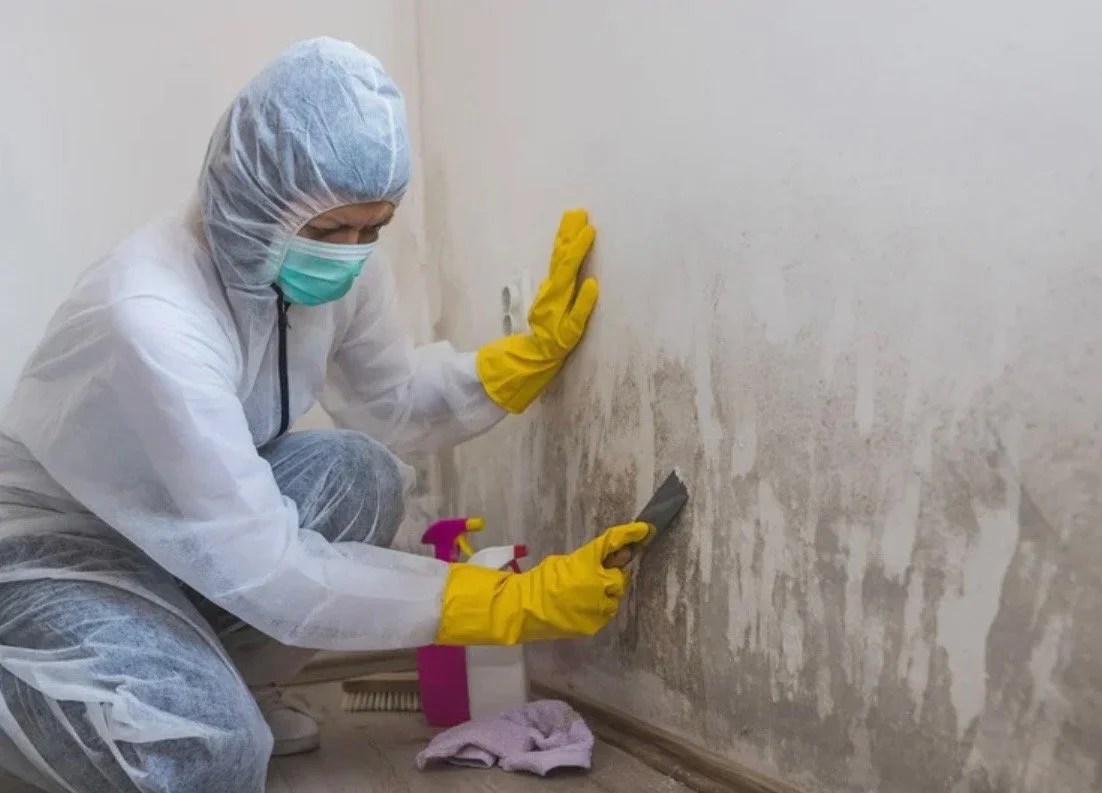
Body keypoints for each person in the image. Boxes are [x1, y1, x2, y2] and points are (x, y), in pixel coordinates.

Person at [0, 37, 649, 793]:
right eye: (329, 231)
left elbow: (393, 401)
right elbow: (268, 569)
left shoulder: (334, 269)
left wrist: (520, 362)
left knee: (361, 473)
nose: (350, 253)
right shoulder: (152, 314)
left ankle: (212, 681)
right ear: (252, 197)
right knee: (209, 754)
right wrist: (505, 600)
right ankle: (46, 693)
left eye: (373, 228)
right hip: (60, 552)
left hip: (178, 540)